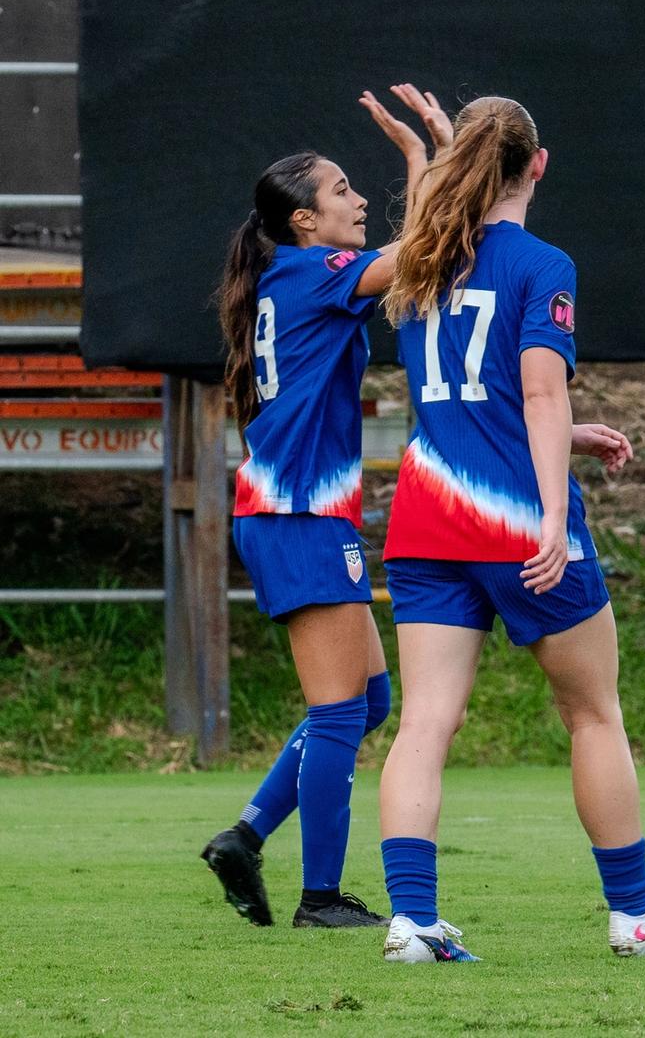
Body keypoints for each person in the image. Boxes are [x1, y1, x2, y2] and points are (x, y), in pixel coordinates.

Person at [365, 89, 645, 962]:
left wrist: (567, 434)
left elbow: (479, 395)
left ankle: (410, 922)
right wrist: (554, 517)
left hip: (426, 521)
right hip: (519, 524)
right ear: (539, 166)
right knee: (593, 715)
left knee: (423, 725)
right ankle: (633, 912)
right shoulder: (542, 264)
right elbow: (538, 390)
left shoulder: (420, 263)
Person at [201, 100, 437, 928]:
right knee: (340, 710)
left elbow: (402, 259)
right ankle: (322, 898)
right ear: (306, 220)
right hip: (299, 515)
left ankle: (245, 837)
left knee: (366, 703)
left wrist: (424, 160)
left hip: (292, 512)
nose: (356, 198)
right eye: (342, 190)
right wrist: (422, 154)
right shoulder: (314, 274)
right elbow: (419, 255)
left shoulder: (291, 277)